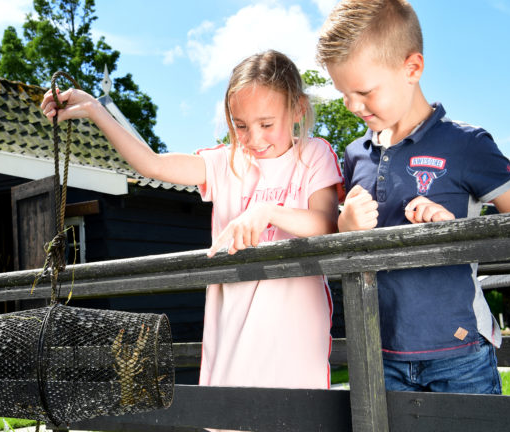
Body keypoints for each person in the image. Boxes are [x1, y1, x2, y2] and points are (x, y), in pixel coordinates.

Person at [41, 50, 343, 390]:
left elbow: (326, 224)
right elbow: (152, 164)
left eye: (267, 124)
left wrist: (267, 211)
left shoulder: (314, 154)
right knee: (233, 412)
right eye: (241, 126)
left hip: (295, 330)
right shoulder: (224, 163)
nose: (254, 138)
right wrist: (95, 108)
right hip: (233, 330)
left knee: (296, 412)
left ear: (298, 108)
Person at [316, 0, 510, 393]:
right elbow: (349, 249)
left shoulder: (467, 144)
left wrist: (454, 231)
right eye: (343, 93)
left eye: (364, 91)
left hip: (459, 351)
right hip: (379, 352)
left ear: (412, 68)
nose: (352, 106)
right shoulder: (354, 155)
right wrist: (344, 228)